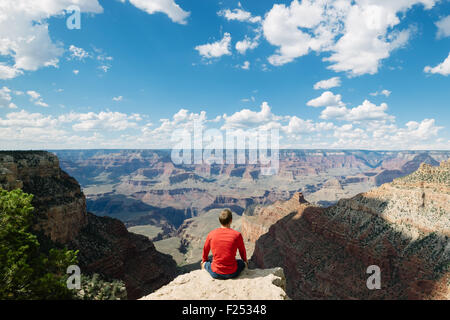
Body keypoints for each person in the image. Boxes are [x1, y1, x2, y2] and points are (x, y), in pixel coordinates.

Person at [201, 209, 248, 279]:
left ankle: (204, 265)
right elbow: (242, 251)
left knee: (207, 262)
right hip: (232, 273)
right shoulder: (237, 235)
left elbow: (205, 251)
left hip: (215, 273)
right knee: (241, 262)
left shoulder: (211, 234)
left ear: (220, 220)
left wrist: (204, 261)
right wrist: (245, 261)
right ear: (231, 220)